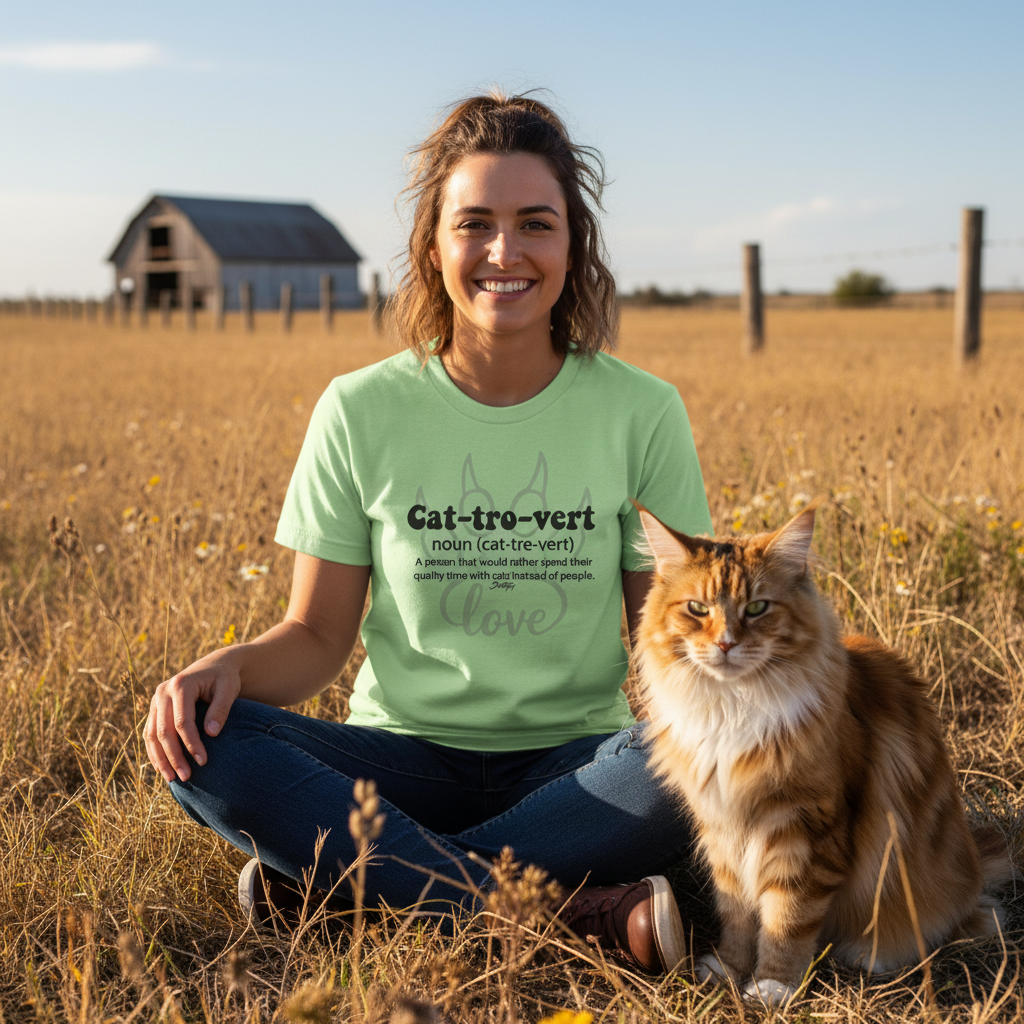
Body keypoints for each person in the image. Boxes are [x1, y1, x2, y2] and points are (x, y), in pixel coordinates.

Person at [145, 91, 713, 974]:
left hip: (575, 773)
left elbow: (665, 645)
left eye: (535, 223)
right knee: (205, 743)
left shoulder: (642, 412)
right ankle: (557, 912)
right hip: (394, 769)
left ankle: (354, 894)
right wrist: (226, 669)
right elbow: (318, 636)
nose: (504, 252)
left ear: (574, 244)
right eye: (474, 223)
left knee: (691, 761)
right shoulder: (360, 409)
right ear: (432, 244)